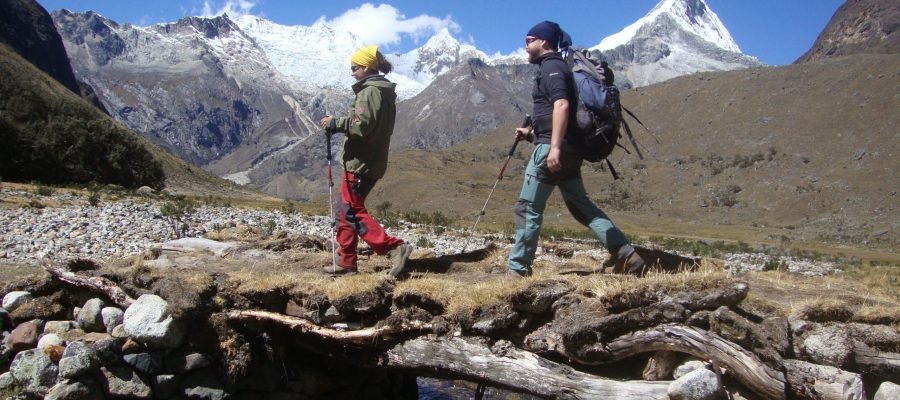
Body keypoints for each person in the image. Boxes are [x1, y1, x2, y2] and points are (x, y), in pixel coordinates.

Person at [507, 21, 645, 277]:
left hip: (552, 151)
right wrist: (531, 134)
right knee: (581, 206)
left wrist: (554, 148)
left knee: (527, 208)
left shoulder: (551, 68)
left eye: (529, 40)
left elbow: (561, 107)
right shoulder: (560, 67)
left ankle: (517, 270)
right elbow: (558, 116)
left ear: (544, 42)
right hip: (569, 150)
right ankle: (627, 254)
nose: (525, 45)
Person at [319, 45, 412, 278]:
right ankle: (346, 261)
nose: (352, 72)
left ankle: (393, 247)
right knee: (344, 210)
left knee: (350, 210)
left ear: (367, 67)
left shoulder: (370, 92)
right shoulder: (380, 90)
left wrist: (335, 123)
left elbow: (361, 125)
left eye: (355, 67)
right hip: (368, 160)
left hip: (361, 160)